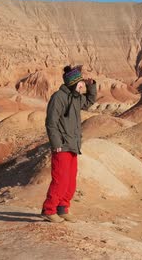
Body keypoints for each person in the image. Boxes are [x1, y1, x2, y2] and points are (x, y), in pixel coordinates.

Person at [41, 65, 97, 223]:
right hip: (62, 145)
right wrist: (56, 143)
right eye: (81, 84)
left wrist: (92, 85)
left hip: (73, 144)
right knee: (60, 180)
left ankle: (62, 208)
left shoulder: (76, 97)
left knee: (70, 180)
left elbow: (89, 101)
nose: (82, 86)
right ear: (73, 84)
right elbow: (50, 122)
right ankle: (49, 209)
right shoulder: (59, 97)